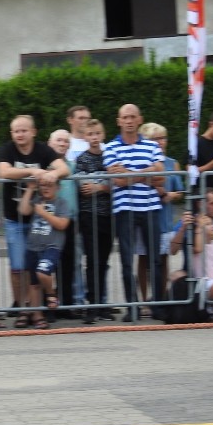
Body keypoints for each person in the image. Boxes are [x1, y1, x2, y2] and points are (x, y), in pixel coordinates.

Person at [0, 115, 70, 327]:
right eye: (16, 131)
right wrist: (32, 171)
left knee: (34, 266)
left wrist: (52, 175)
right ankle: (22, 309)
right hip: (15, 218)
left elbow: (64, 168)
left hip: (40, 219)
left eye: (24, 130)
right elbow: (3, 171)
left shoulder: (43, 151)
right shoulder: (8, 149)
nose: (19, 134)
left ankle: (36, 311)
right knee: (18, 267)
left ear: (33, 132)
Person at [104, 104, 166, 322]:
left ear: (140, 119)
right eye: (125, 117)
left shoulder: (152, 145)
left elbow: (161, 177)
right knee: (127, 261)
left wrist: (131, 174)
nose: (129, 121)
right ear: (118, 121)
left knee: (155, 259)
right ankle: (132, 306)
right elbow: (118, 181)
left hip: (150, 207)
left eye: (132, 117)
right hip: (125, 209)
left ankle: (158, 306)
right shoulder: (110, 147)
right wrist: (147, 173)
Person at [136, 123, 185, 310]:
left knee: (163, 258)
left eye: (162, 138)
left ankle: (160, 297)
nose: (160, 142)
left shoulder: (172, 163)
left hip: (164, 218)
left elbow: (179, 190)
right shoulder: (144, 163)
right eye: (155, 139)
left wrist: (170, 195)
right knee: (143, 258)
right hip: (146, 214)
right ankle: (144, 298)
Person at [74, 119, 115, 324]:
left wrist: (99, 187)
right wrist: (103, 183)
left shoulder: (110, 158)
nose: (94, 137)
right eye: (90, 134)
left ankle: (102, 303)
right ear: (85, 137)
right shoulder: (81, 159)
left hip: (108, 215)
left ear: (103, 135)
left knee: (104, 261)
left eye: (97, 133)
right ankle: (92, 304)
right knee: (92, 261)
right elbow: (83, 186)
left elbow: (114, 183)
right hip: (89, 216)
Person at [17, 177, 71, 329]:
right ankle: (37, 316)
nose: (46, 188)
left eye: (50, 185)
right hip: (33, 246)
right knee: (33, 284)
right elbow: (23, 210)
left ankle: (51, 294)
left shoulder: (61, 203)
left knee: (42, 272)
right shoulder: (37, 199)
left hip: (51, 246)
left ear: (58, 187)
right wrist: (30, 189)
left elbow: (62, 224)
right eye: (43, 185)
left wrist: (43, 213)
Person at [47, 129, 80, 316]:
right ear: (50, 143)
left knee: (68, 264)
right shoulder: (46, 166)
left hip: (69, 221)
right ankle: (50, 305)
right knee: (49, 264)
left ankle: (66, 304)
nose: (62, 144)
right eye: (58, 140)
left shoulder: (72, 166)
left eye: (66, 141)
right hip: (50, 220)